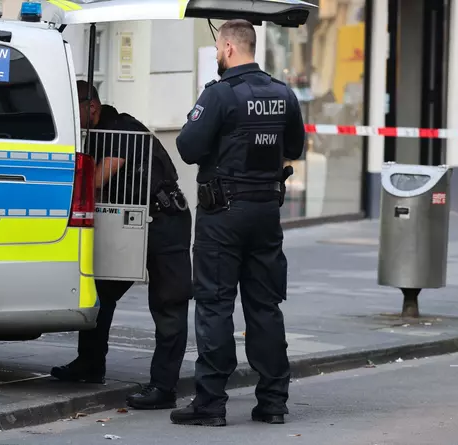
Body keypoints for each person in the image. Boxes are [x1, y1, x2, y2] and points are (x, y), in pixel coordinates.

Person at [169, 19, 305, 427]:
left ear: (228, 48)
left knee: (214, 305)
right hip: (266, 213)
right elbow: (294, 148)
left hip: (223, 216)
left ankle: (210, 404)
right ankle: (273, 402)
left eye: (216, 48)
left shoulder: (220, 95)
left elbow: (188, 147)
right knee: (265, 306)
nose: (215, 54)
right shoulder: (284, 93)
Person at [51, 81, 193, 411]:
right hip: (132, 221)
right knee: (100, 292)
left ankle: (163, 387)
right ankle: (90, 365)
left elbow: (98, 178)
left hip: (164, 220)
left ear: (92, 108)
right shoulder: (101, 131)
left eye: (77, 112)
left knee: (168, 303)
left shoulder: (120, 129)